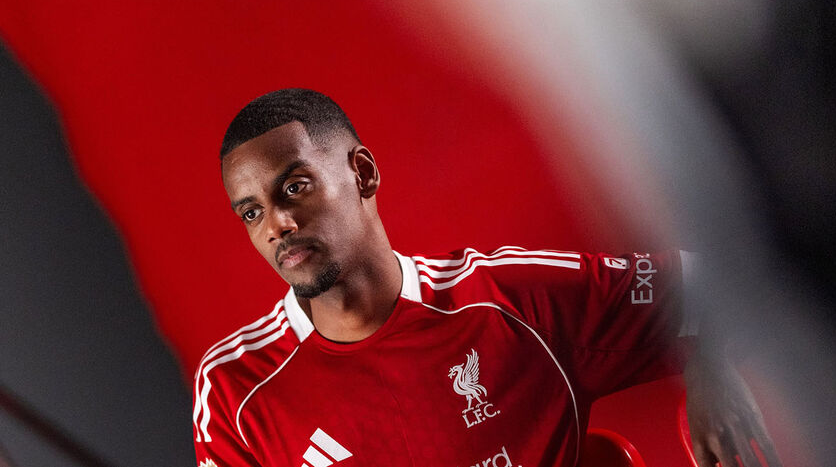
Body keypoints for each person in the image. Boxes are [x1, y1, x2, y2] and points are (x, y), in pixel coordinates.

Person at [192, 88, 781, 467]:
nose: (278, 224)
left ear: (363, 174)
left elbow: (713, 286)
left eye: (294, 187)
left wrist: (710, 367)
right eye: (251, 213)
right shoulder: (236, 390)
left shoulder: (507, 299)